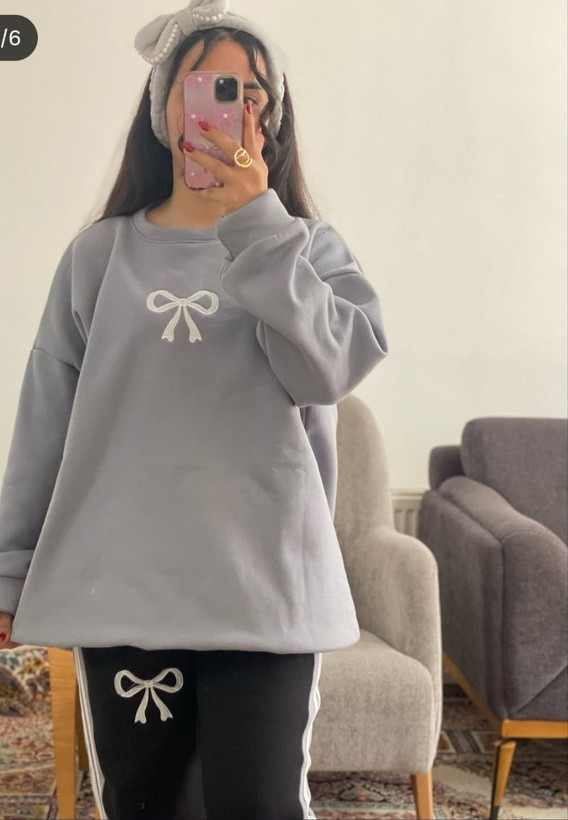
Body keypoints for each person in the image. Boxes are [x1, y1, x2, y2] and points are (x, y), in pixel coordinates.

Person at [0, 0, 389, 817]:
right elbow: (46, 422)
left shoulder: (309, 249)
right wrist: (9, 572)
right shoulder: (99, 257)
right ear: (164, 108)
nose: (223, 105)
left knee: (260, 805)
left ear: (269, 117)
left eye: (247, 90)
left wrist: (260, 229)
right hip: (123, 592)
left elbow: (326, 371)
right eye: (201, 85)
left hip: (266, 593)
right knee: (144, 803)